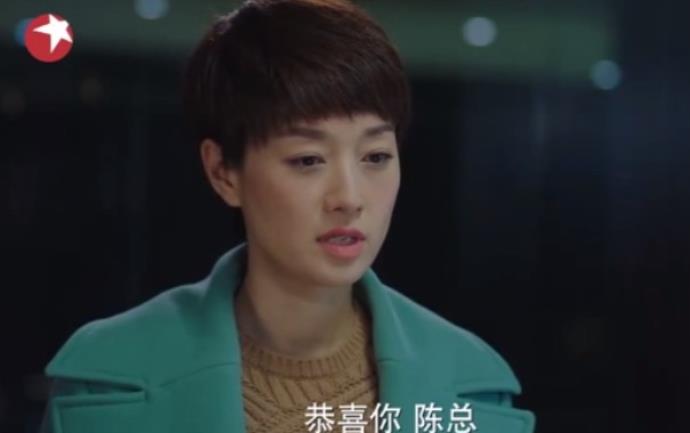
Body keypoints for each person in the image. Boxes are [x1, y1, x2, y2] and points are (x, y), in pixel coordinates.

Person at [39, 1, 535, 432]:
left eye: (376, 157)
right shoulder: (112, 374)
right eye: (308, 160)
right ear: (223, 171)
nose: (349, 198)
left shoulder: (468, 384)